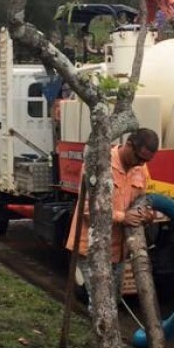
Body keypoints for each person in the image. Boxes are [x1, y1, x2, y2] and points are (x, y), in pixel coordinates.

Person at [66, 128, 159, 305]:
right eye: (139, 158)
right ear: (129, 145)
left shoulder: (140, 169)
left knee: (113, 303)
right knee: (101, 304)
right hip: (92, 249)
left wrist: (145, 215)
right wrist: (122, 217)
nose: (140, 164)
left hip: (118, 252)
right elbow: (88, 209)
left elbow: (142, 201)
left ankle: (106, 332)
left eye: (146, 161)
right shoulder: (99, 165)